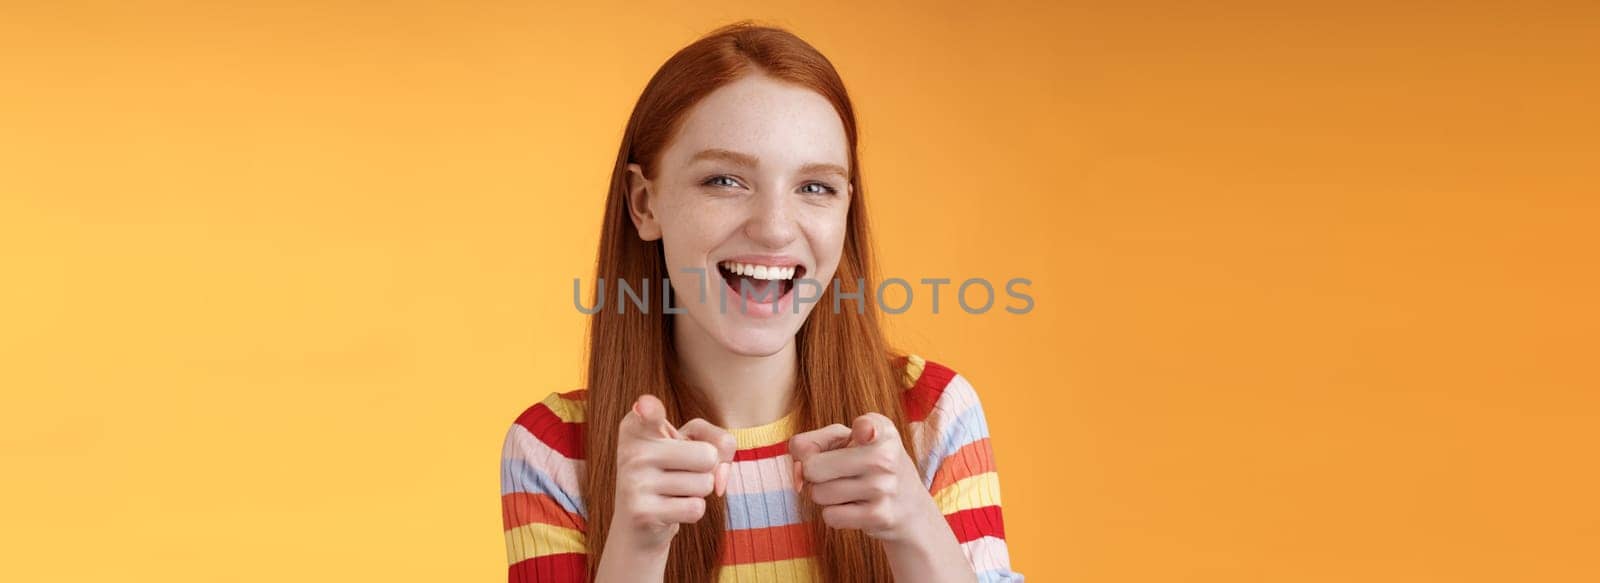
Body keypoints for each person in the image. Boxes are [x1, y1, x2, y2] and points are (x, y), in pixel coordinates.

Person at [501, 21, 1023, 583]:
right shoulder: (554, 450)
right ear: (644, 203)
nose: (774, 230)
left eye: (815, 187)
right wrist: (636, 548)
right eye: (725, 180)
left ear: (846, 208)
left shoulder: (932, 414)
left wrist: (918, 531)